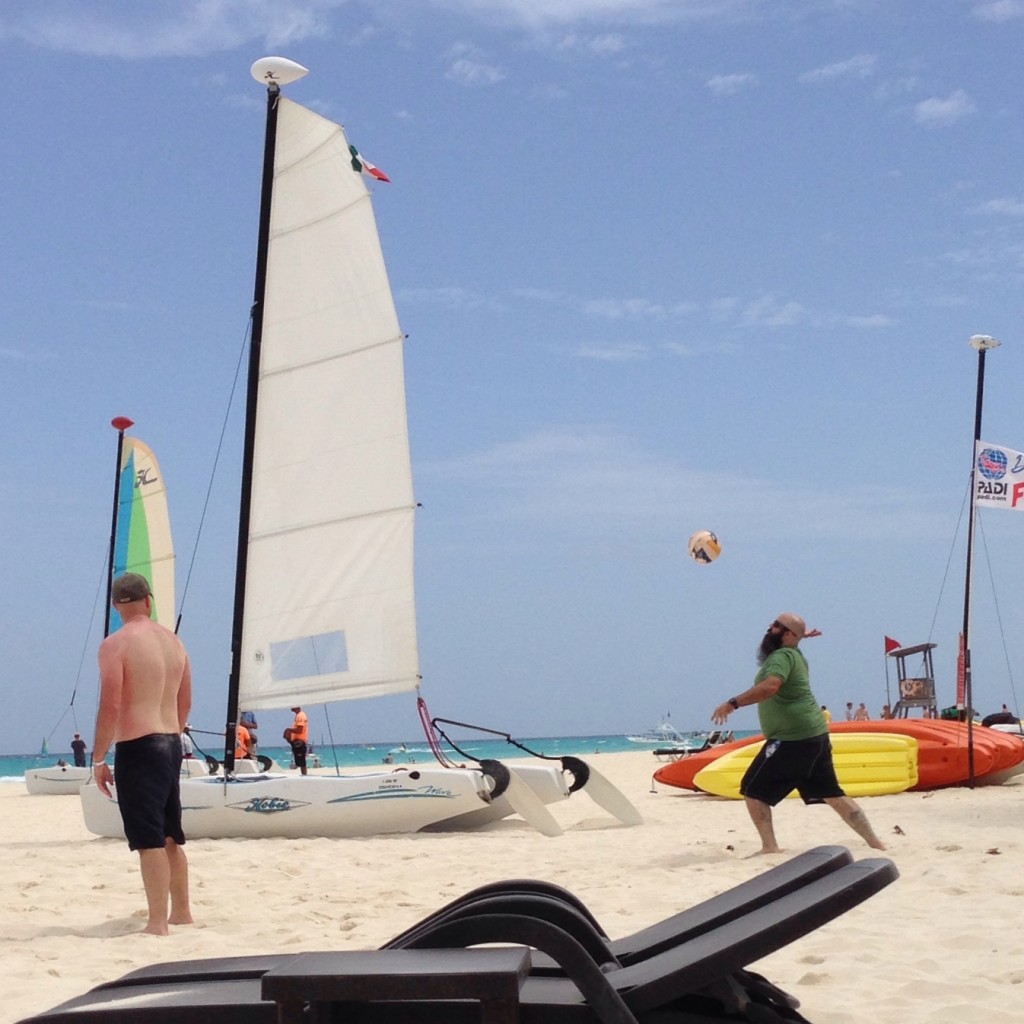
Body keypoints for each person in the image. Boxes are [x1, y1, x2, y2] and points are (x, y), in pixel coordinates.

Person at [711, 613, 886, 855]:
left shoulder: (782, 657)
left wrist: (733, 703)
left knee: (752, 789)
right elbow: (787, 652)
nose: (769, 628)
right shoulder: (795, 655)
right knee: (832, 793)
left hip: (794, 738)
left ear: (788, 634)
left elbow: (771, 686)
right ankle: (876, 843)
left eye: (776, 626)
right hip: (815, 735)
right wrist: (800, 636)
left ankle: (769, 847)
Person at [92, 572, 193, 935]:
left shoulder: (115, 644)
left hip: (139, 745)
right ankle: (181, 913)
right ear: (148, 600)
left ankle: (156, 923)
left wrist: (99, 757)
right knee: (170, 835)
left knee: (148, 838)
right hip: (170, 742)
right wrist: (173, 735)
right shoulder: (174, 643)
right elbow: (185, 702)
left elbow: (111, 704)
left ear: (116, 604)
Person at [284, 706, 309, 775]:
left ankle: (304, 776)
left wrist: (288, 730)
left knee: (302, 762)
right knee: (300, 761)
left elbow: (299, 730)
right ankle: (304, 775)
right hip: (297, 741)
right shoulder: (299, 715)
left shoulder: (300, 716)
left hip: (299, 741)